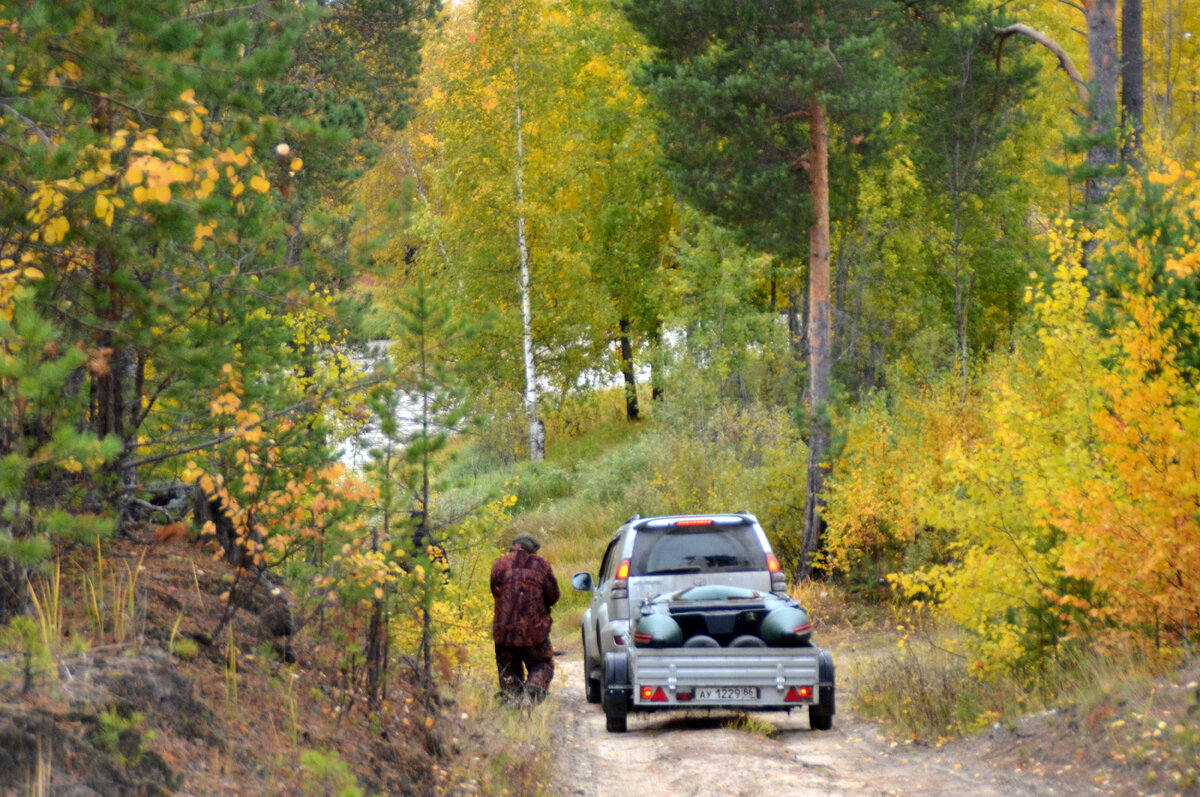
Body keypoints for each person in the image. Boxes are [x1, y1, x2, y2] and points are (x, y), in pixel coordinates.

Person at [490, 532, 560, 705]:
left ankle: (512, 702)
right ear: (533, 550)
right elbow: (553, 596)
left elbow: (495, 591)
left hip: (503, 631)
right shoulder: (542, 564)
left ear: (514, 545)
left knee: (508, 671)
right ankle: (533, 691)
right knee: (542, 665)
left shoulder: (499, 564)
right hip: (534, 632)